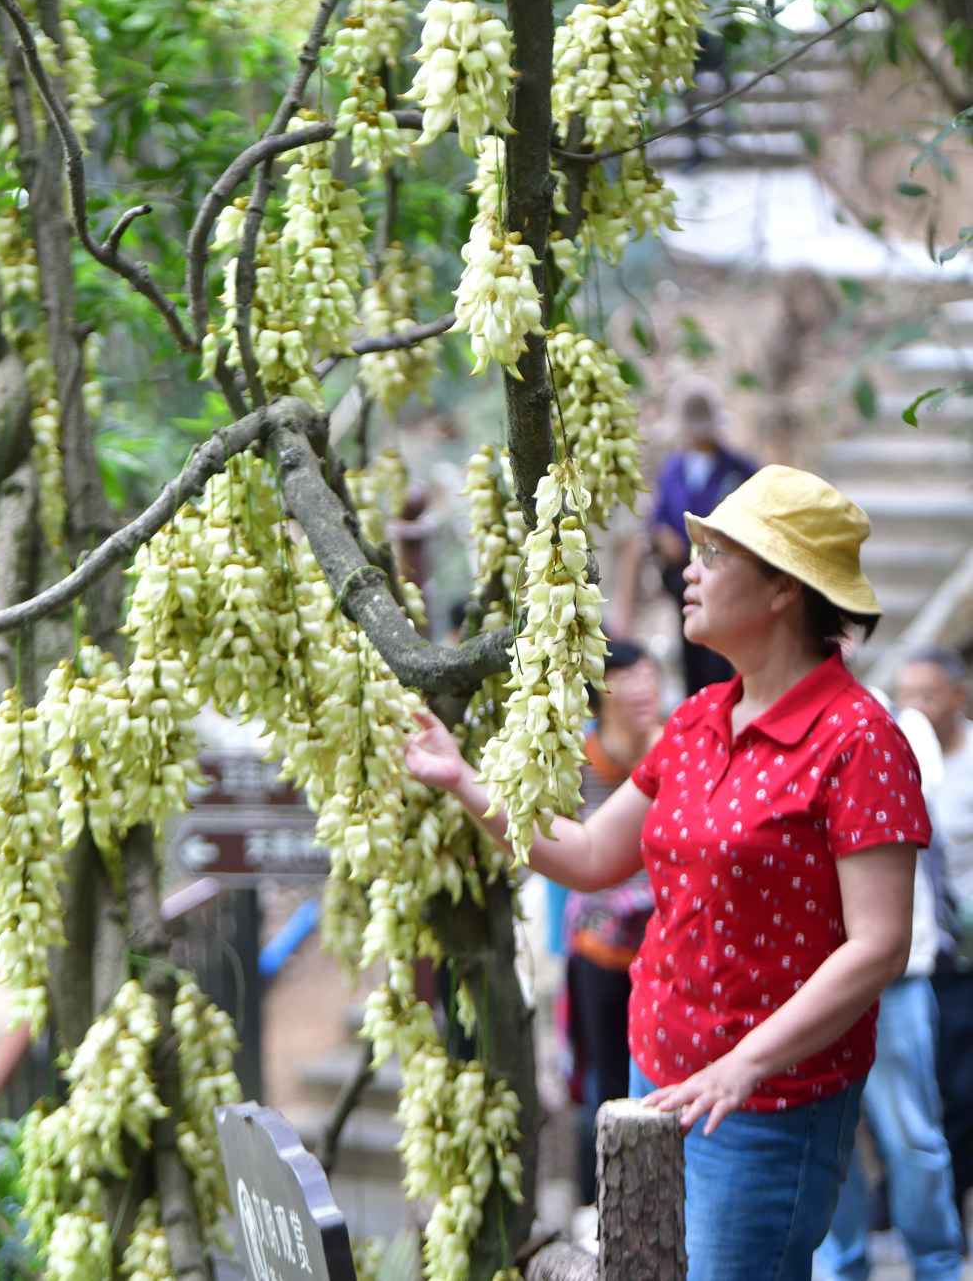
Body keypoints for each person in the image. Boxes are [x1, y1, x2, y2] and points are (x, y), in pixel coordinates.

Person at [405, 465, 930, 1281]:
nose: (687, 570)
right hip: (654, 1078)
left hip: (764, 1104)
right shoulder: (697, 720)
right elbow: (585, 857)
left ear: (785, 589)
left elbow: (880, 944)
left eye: (715, 555)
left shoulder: (859, 740)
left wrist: (745, 1062)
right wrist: (463, 782)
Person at [817, 699, 964, 1281]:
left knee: (914, 1140)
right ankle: (842, 1267)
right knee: (831, 1145)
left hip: (895, 983)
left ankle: (938, 1266)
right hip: (816, 985)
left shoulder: (891, 724)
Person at [563, 640, 662, 1201]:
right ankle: (602, 1205)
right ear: (600, 694)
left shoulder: (678, 745)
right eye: (627, 678)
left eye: (650, 674)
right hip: (601, 952)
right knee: (606, 1083)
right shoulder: (578, 760)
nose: (642, 687)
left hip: (668, 945)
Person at [617, 377, 756, 696]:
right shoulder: (673, 468)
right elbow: (660, 515)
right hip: (682, 584)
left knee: (722, 661)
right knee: (693, 657)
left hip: (726, 586)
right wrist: (661, 535)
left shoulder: (740, 470)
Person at [898, 647, 973, 1229]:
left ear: (959, 694)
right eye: (906, 695)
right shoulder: (899, 753)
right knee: (937, 1091)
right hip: (928, 954)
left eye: (927, 694)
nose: (914, 707)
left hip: (968, 952)